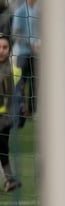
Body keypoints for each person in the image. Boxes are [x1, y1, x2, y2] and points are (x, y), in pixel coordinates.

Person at [0, 33, 21, 192]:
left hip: (5, 118)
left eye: (5, 47)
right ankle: (10, 178)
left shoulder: (14, 71)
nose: (1, 50)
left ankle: (10, 179)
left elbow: (18, 95)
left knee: (3, 147)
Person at [11, 0, 38, 117]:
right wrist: (30, 42)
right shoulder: (20, 11)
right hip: (22, 53)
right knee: (21, 82)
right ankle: (19, 109)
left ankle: (33, 111)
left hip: (35, 53)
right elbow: (15, 33)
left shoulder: (37, 11)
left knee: (35, 82)